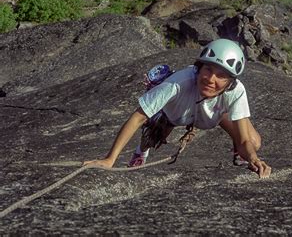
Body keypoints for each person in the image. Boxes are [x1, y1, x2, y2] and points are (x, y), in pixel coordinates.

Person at [84, 39, 272, 178]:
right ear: (199, 68)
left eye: (221, 75)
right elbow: (138, 117)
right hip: (176, 113)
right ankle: (141, 152)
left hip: (216, 112)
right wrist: (110, 159)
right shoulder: (178, 83)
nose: (210, 79)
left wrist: (254, 158)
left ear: (230, 82)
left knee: (253, 142)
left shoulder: (235, 91)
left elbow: (245, 139)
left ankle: (242, 155)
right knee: (154, 137)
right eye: (207, 69)